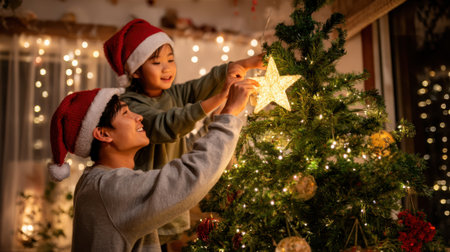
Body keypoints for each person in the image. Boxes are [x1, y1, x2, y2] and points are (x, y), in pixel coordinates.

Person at [48, 75, 258, 251]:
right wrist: (229, 116)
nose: (138, 116)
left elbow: (187, 155)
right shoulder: (109, 188)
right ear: (103, 133)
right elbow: (187, 178)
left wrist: (219, 118)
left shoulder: (100, 180)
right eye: (126, 113)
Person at [103, 18, 265, 243]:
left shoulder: (172, 94)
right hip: (147, 202)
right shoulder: (131, 105)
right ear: (136, 71)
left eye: (170, 60)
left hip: (173, 203)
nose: (167, 68)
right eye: (156, 62)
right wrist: (221, 98)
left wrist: (246, 63)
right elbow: (167, 123)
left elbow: (202, 85)